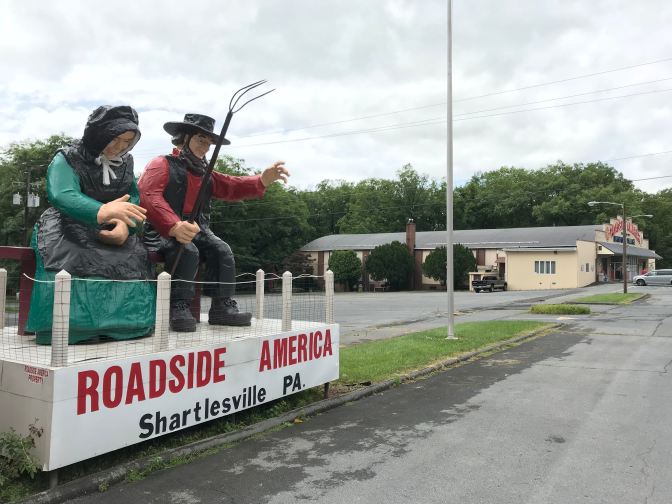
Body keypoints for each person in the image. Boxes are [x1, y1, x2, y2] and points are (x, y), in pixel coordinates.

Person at [138, 113, 289, 332]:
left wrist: (262, 179)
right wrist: (173, 225)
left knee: (221, 250)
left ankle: (222, 305)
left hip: (198, 229)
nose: (205, 147)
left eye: (209, 143)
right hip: (163, 231)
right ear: (185, 138)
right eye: (201, 140)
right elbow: (148, 195)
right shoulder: (161, 164)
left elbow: (231, 185)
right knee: (187, 250)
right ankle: (178, 305)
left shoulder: (206, 173)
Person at [26, 105, 155, 344]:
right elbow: (62, 193)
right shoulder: (67, 157)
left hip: (113, 226)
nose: (120, 148)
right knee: (72, 253)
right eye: (115, 140)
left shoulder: (126, 163)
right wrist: (101, 210)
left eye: (126, 142)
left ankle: (126, 325)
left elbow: (133, 198)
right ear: (100, 134)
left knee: (134, 255)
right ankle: (72, 326)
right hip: (69, 222)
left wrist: (126, 225)